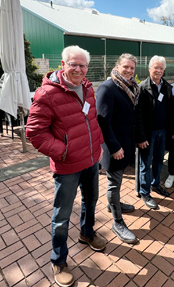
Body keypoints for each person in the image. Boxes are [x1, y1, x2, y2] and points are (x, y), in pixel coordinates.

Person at [26, 46, 105, 287]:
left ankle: (87, 233)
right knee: (61, 215)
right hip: (68, 166)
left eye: (82, 65)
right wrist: (64, 152)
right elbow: (35, 133)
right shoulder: (47, 94)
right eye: (73, 64)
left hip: (91, 160)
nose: (78, 69)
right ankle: (58, 260)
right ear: (63, 64)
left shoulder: (89, 89)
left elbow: (91, 121)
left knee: (91, 201)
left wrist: (98, 148)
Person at [95, 53, 139, 244]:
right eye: (125, 67)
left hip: (126, 145)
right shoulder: (107, 88)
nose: (129, 71)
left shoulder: (131, 87)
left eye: (132, 68)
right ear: (117, 66)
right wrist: (114, 147)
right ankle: (117, 222)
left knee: (118, 182)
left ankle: (114, 205)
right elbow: (102, 122)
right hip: (114, 147)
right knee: (113, 183)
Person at [136, 55, 174, 209]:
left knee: (159, 160)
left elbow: (170, 111)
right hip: (148, 134)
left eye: (161, 68)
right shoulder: (142, 87)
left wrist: (171, 130)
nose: (158, 70)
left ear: (164, 70)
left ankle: (155, 184)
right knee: (145, 164)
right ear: (149, 68)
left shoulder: (167, 86)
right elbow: (138, 115)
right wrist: (141, 136)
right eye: (155, 67)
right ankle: (144, 192)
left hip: (163, 132)